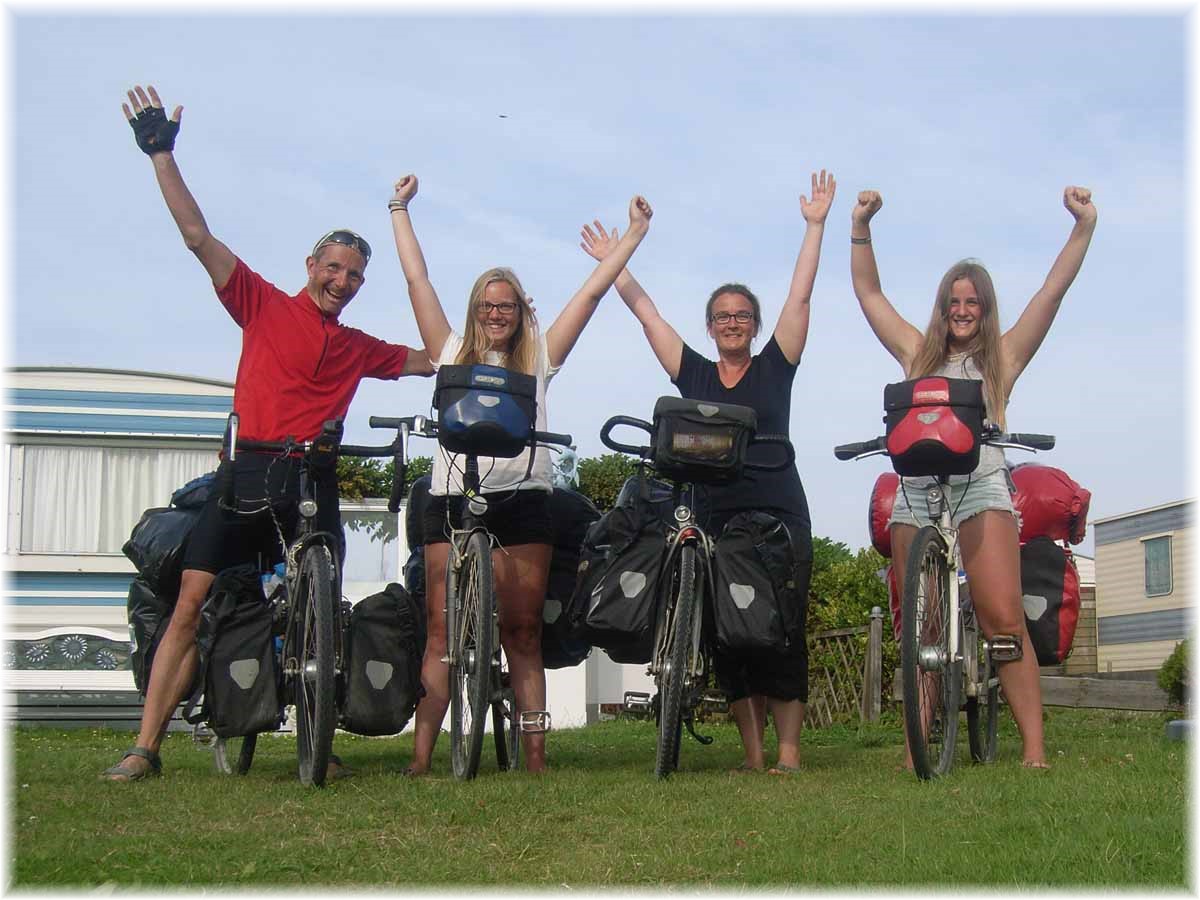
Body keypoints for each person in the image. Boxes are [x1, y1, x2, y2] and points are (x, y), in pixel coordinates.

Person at [101, 85, 433, 782]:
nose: (342, 282)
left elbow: (433, 357)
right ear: (311, 266)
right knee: (192, 603)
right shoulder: (259, 302)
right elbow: (198, 236)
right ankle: (145, 747)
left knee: (325, 609)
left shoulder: (358, 346)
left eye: (354, 276)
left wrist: (502, 339)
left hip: (313, 477)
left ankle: (320, 736)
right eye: (333, 269)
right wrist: (161, 154)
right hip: (246, 472)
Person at [389, 173, 653, 774]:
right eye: (488, 305)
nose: (497, 314)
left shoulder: (538, 360)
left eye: (506, 305)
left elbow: (586, 297)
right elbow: (417, 280)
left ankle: (535, 758)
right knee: (439, 632)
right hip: (451, 497)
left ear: (518, 311)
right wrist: (399, 209)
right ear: (475, 311)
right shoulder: (450, 350)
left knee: (524, 629)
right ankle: (422, 758)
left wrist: (632, 236)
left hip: (523, 501)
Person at [580, 170, 836, 774]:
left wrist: (815, 225)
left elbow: (799, 297)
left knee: (781, 630)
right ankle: (753, 756)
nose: (732, 322)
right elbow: (646, 315)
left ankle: (790, 755)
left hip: (777, 517)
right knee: (731, 636)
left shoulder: (775, 366)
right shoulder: (692, 374)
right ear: (709, 326)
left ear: (754, 322)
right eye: (722, 315)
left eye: (742, 314)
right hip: (715, 520)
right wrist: (619, 255)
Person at [849, 185, 1097, 770]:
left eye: (973, 303)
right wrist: (861, 226)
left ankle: (1033, 751)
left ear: (984, 310)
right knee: (920, 628)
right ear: (941, 308)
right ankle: (919, 750)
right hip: (916, 490)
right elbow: (868, 291)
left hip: (980, 488)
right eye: (952, 302)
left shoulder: (1001, 360)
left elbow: (1051, 293)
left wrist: (1082, 227)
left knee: (1003, 622)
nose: (961, 311)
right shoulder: (916, 354)